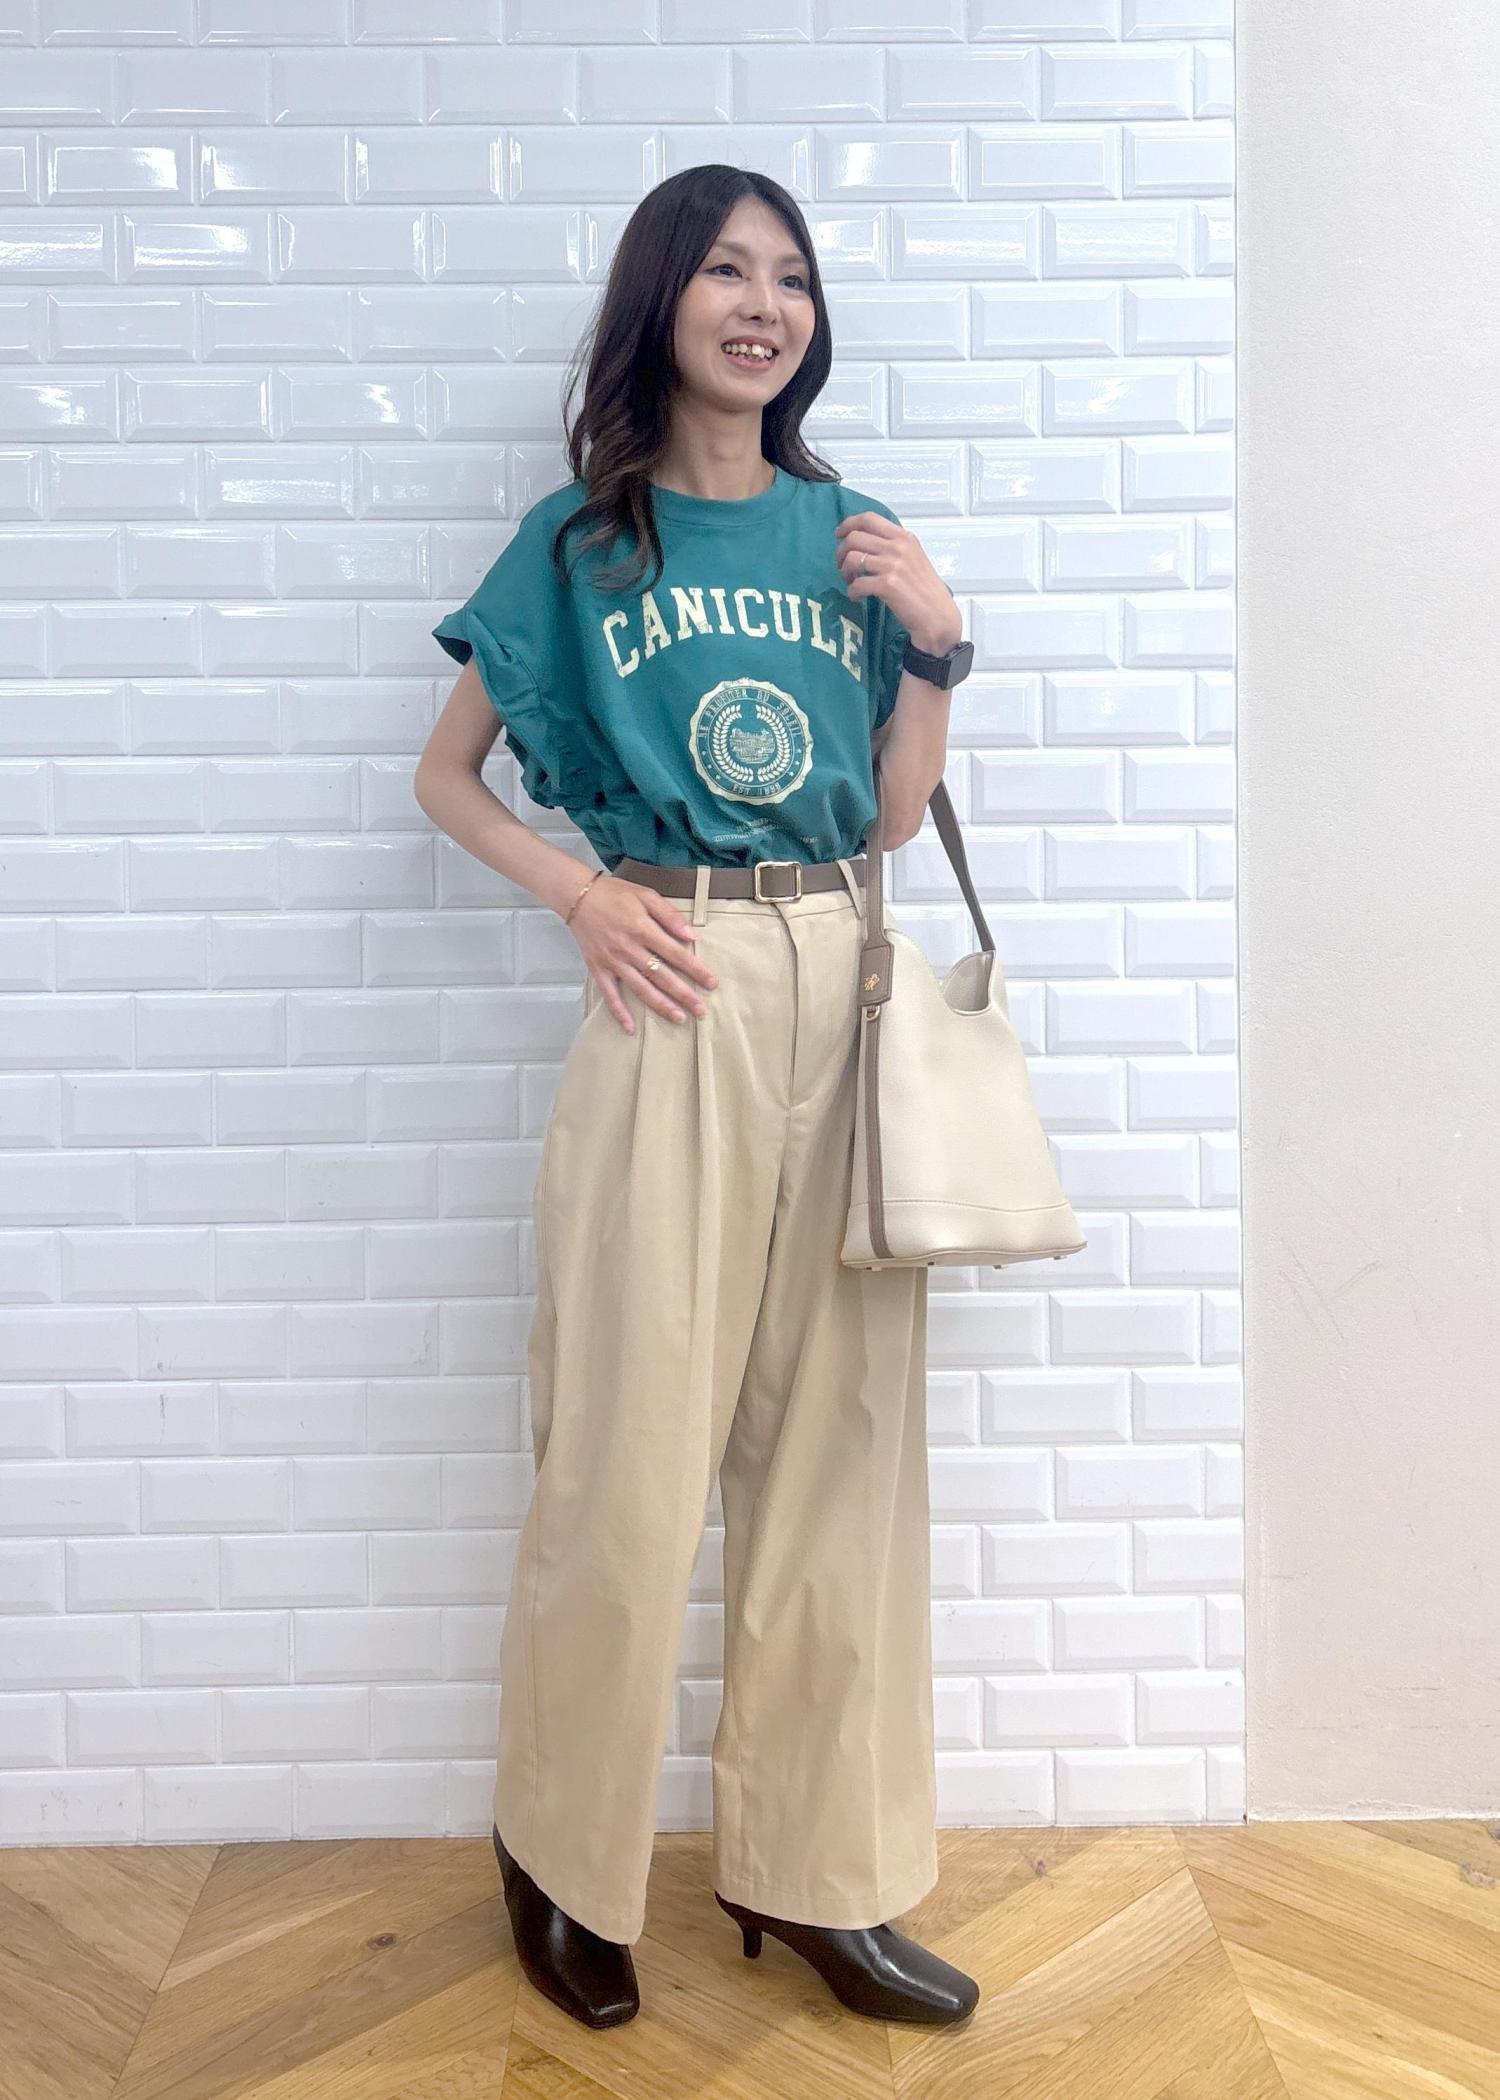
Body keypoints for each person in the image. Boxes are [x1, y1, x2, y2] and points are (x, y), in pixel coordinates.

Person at [413, 164, 979, 2033]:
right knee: (627, 1451)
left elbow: (891, 816)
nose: (764, 304)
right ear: (661, 300)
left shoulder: (853, 532)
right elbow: (446, 778)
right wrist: (582, 898)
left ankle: (819, 1875)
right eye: (728, 269)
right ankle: (564, 1860)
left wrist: (940, 652)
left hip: (842, 966)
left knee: (841, 1458)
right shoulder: (587, 542)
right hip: (674, 975)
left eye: (792, 277)